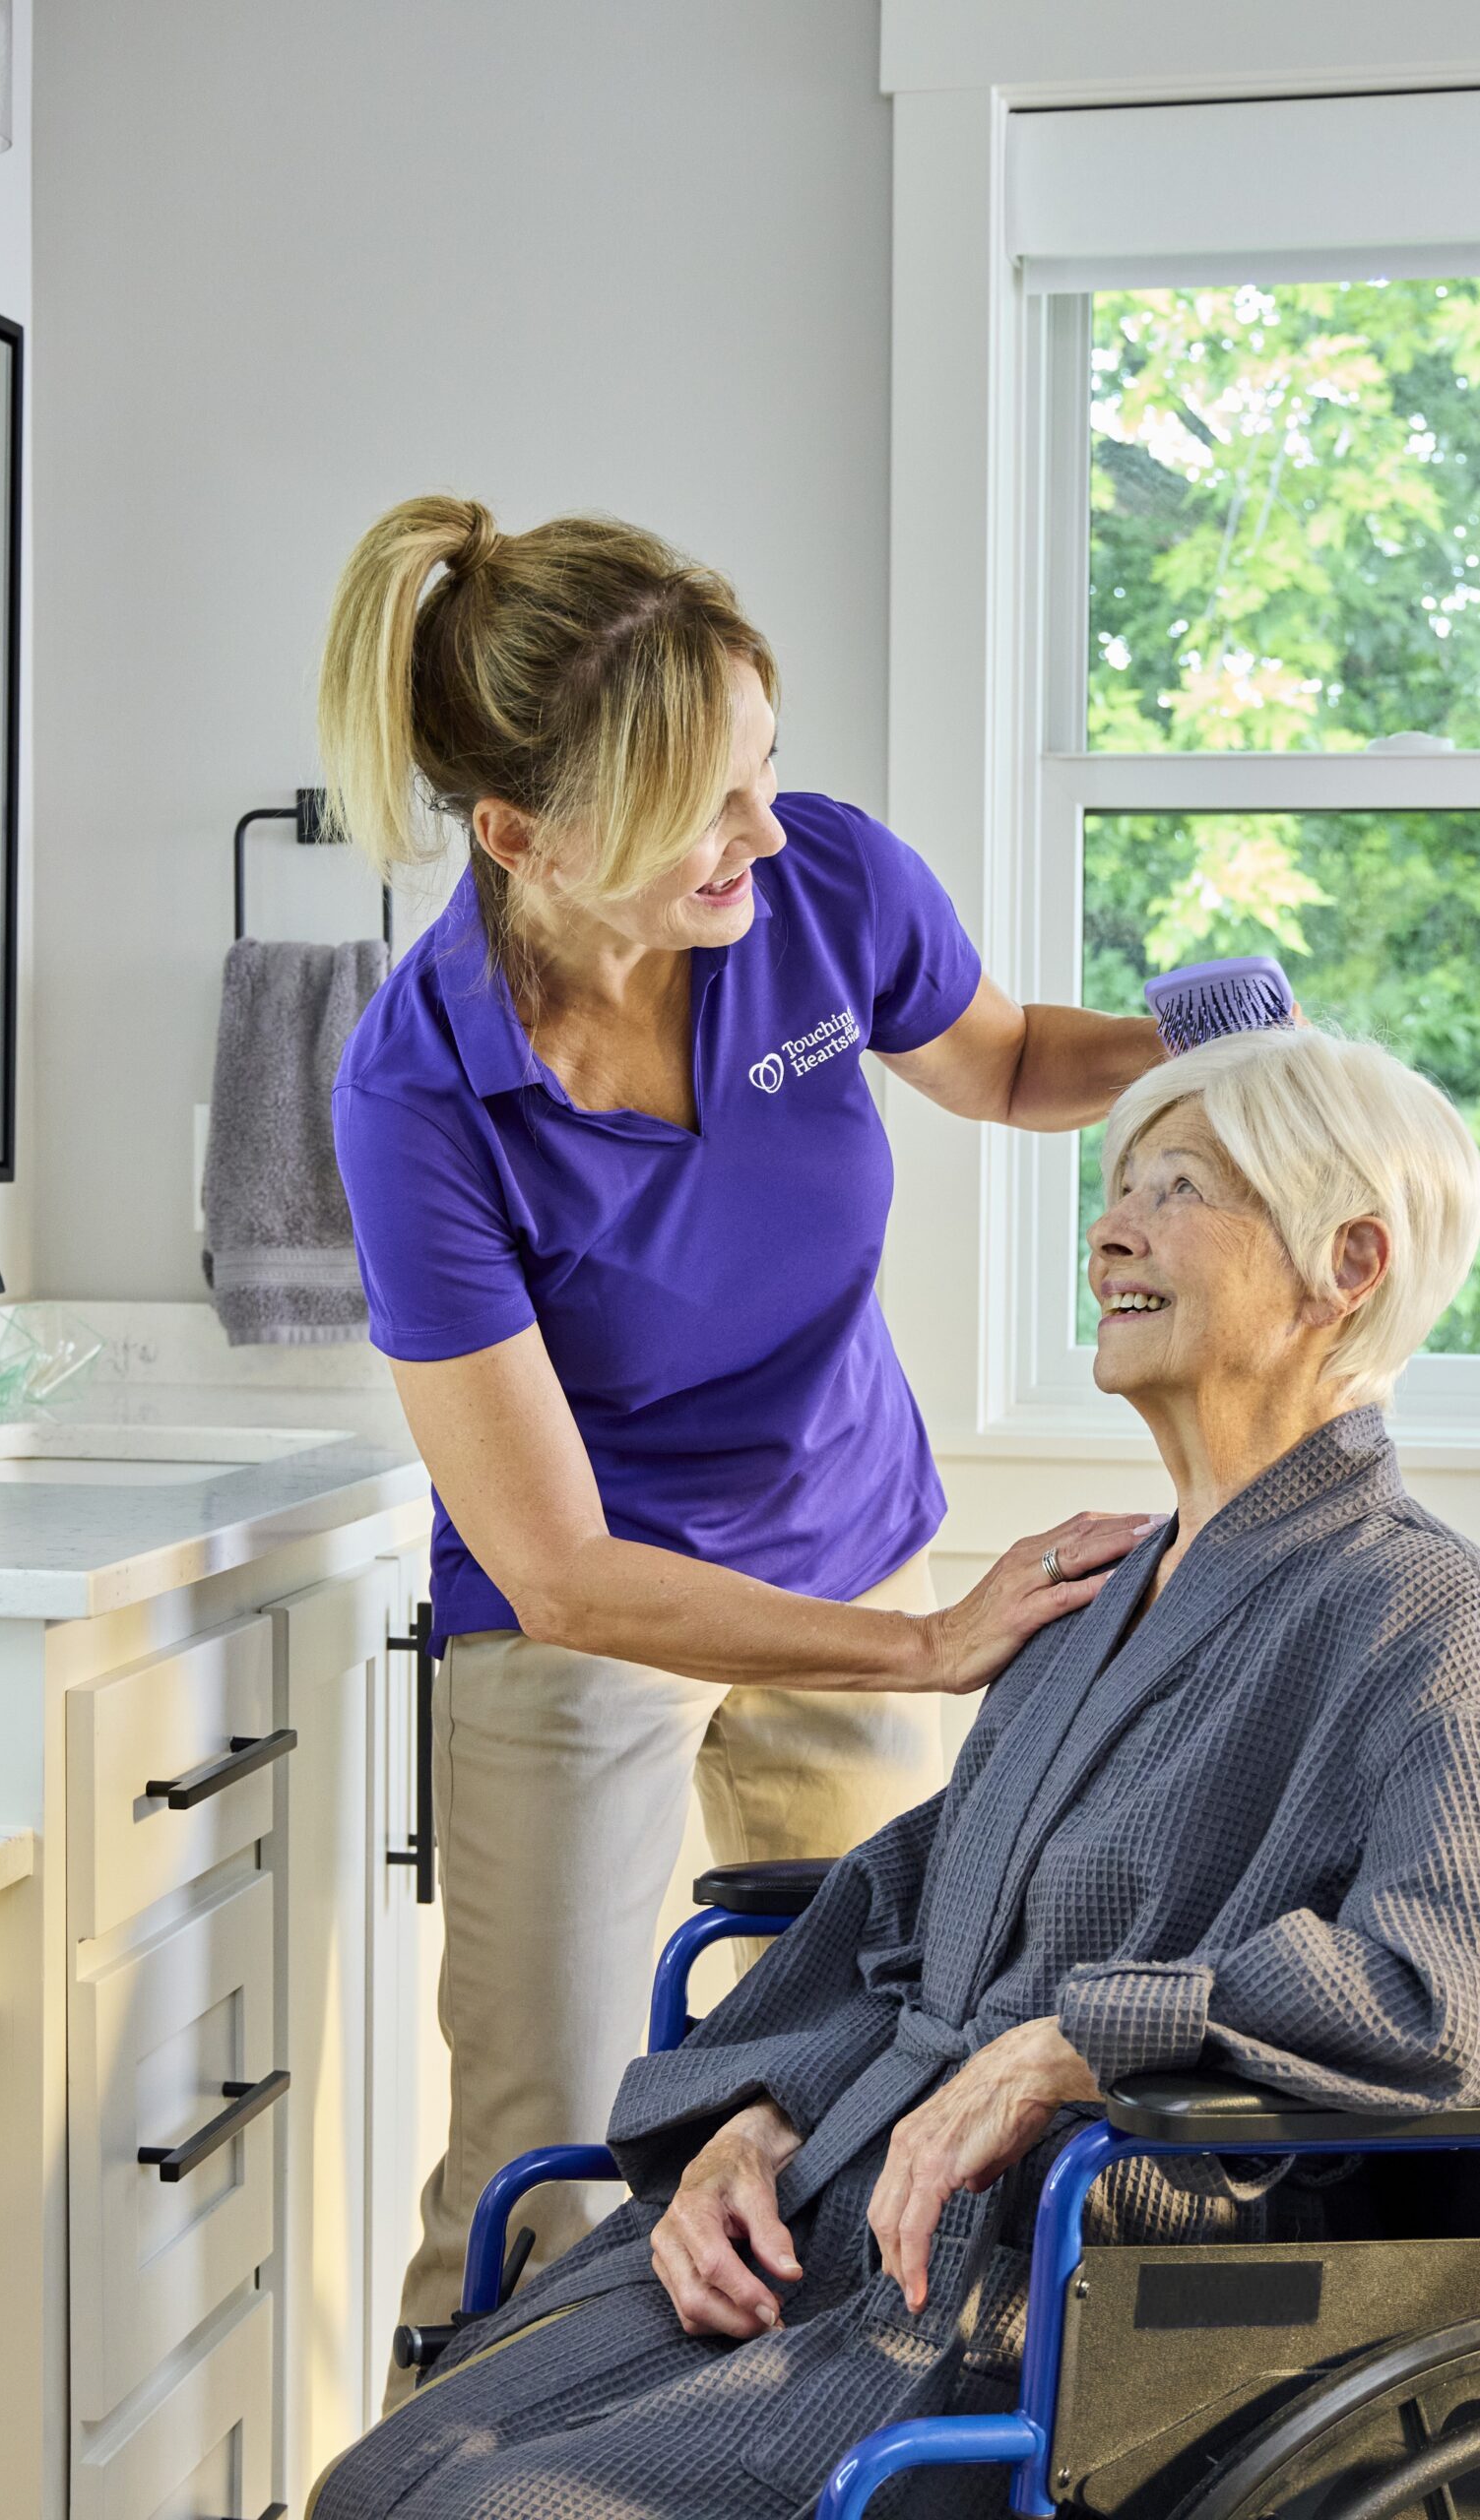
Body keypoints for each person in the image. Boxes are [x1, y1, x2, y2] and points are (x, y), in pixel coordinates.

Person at [311, 1026, 1480, 2520]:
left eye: (1178, 1189)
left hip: (1042, 2306)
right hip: (833, 2221)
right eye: (1116, 1184)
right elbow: (904, 1914)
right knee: (381, 2478)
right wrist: (755, 2120)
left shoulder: (1405, 1605)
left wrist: (1069, 2043)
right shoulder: (1102, 1589)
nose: (1109, 1227)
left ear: (1346, 1263)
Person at [317, 496, 1165, 2369]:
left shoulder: (822, 887)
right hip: (586, 1633)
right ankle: (454, 2471)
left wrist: (1204, 1040)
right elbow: (557, 1566)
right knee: (547, 2160)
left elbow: (1009, 1061)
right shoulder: (415, 1094)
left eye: (762, 768)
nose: (762, 832)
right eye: (705, 802)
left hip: (843, 1532)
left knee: (855, 2095)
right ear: (524, 837)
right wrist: (935, 1648)